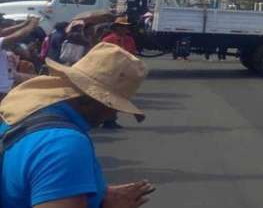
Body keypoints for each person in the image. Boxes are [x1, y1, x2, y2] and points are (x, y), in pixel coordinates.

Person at [0, 42, 155, 207]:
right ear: (90, 99)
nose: (112, 114)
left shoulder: (26, 113)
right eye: (111, 106)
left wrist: (90, 194)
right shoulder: (64, 144)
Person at [0, 18, 41, 100]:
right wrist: (32, 24)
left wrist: (24, 24)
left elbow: (4, 31)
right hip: (3, 90)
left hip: (8, 84)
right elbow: (17, 36)